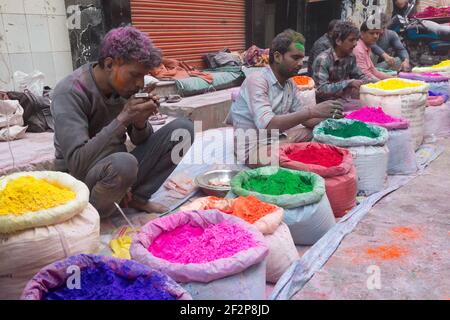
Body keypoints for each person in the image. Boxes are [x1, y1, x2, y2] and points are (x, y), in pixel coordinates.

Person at [51, 26, 194, 218]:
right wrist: (124, 118)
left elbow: (142, 141)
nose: (140, 84)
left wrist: (140, 122)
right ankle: (95, 214)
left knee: (182, 130)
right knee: (123, 163)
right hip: (80, 181)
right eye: (135, 75)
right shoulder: (70, 92)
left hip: (118, 169)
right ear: (110, 64)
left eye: (143, 76)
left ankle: (138, 197)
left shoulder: (122, 87)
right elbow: (77, 163)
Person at [230, 29, 343, 167]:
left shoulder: (290, 84)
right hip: (253, 150)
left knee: (319, 133)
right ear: (277, 57)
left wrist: (330, 117)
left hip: (276, 140)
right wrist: (313, 111)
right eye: (296, 58)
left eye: (302, 58)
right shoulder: (257, 81)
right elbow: (269, 124)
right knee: (305, 166)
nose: (301, 63)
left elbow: (307, 120)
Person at [312, 21, 376, 103]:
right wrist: (348, 83)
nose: (355, 44)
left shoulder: (350, 57)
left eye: (356, 40)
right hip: (324, 104)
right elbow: (320, 89)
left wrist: (379, 83)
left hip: (344, 100)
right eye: (351, 40)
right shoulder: (323, 60)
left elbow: (360, 76)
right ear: (338, 41)